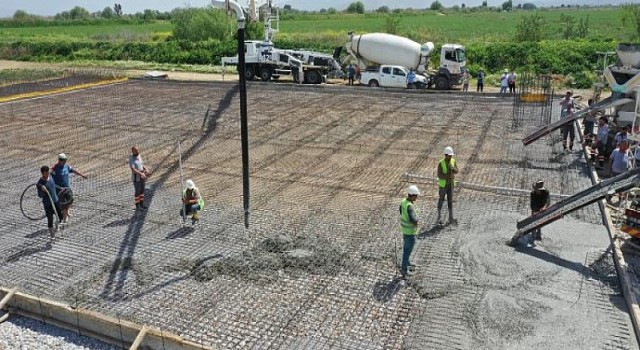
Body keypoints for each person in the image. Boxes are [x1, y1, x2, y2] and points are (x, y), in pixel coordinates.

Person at [50, 153, 87, 223]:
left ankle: (67, 211)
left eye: (65, 160)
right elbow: (51, 181)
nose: (65, 161)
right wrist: (58, 187)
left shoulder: (66, 166)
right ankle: (65, 217)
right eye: (64, 160)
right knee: (63, 203)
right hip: (59, 189)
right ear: (60, 160)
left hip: (67, 188)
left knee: (70, 200)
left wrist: (82, 175)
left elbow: (73, 170)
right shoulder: (55, 168)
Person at [37, 165, 64, 240]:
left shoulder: (50, 177)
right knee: (50, 219)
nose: (48, 174)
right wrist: (43, 190)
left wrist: (60, 188)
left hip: (55, 201)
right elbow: (40, 195)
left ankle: (56, 225)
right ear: (42, 173)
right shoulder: (40, 184)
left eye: (48, 172)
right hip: (48, 204)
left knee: (60, 216)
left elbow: (53, 185)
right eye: (46, 173)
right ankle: (52, 235)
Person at [399, 185, 420, 278]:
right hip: (410, 233)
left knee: (406, 249)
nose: (417, 197)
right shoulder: (410, 206)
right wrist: (417, 221)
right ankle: (404, 270)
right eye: (416, 196)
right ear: (412, 195)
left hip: (405, 230)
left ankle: (407, 262)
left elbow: (400, 210)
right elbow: (413, 220)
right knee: (407, 251)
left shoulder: (403, 202)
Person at [437, 146, 459, 225]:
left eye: (451, 156)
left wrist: (453, 169)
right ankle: (439, 216)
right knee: (441, 199)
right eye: (449, 156)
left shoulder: (453, 161)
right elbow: (439, 175)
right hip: (443, 186)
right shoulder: (441, 163)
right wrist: (447, 176)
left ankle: (451, 217)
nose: (450, 157)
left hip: (451, 185)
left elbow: (457, 171)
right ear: (445, 155)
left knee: (450, 200)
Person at [129, 145, 151, 210]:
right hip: (136, 177)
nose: (138, 151)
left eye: (138, 150)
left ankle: (141, 204)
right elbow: (133, 169)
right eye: (136, 151)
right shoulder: (131, 158)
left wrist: (146, 169)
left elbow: (142, 164)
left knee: (142, 190)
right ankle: (137, 205)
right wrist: (141, 173)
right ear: (133, 151)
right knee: (137, 191)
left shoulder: (139, 155)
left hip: (142, 176)